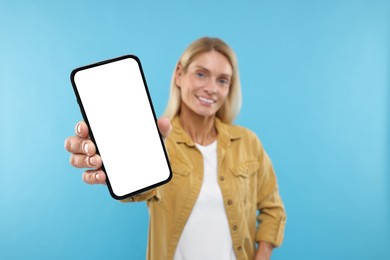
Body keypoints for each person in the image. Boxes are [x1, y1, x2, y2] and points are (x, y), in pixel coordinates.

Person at [64, 37, 286, 260]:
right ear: (179, 74)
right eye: (201, 74)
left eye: (222, 80)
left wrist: (262, 256)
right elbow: (142, 190)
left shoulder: (247, 142)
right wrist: (113, 166)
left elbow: (273, 209)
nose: (211, 89)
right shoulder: (157, 141)